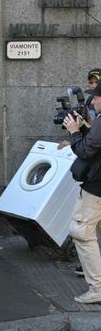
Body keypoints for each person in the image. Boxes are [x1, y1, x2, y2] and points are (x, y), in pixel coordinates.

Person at [64, 82, 101, 304]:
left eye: (97, 97)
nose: (94, 101)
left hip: (96, 189)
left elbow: (85, 150)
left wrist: (75, 131)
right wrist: (86, 129)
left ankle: (97, 289)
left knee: (81, 232)